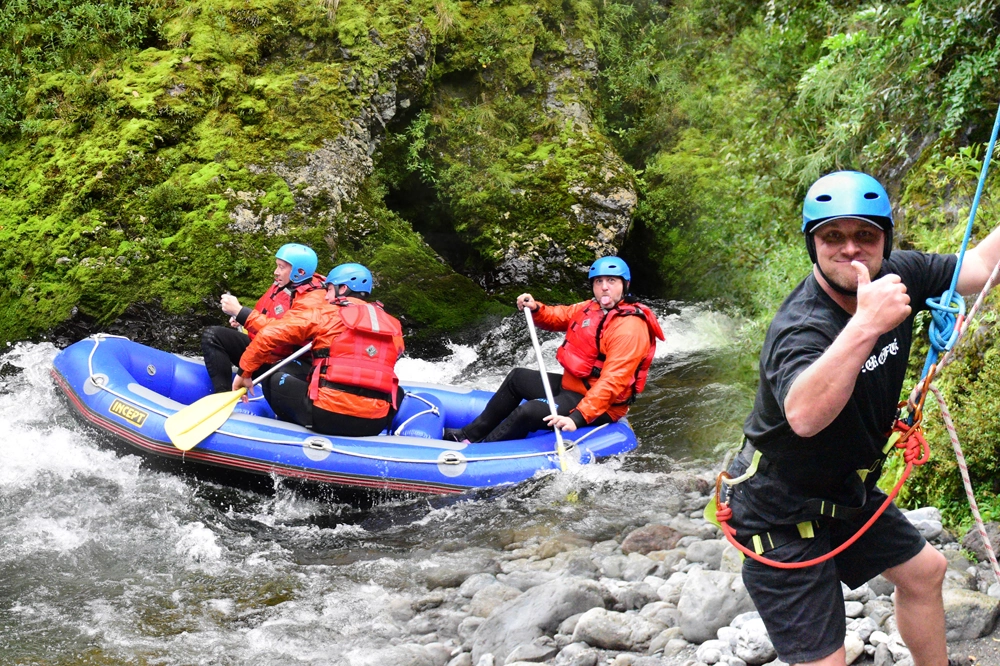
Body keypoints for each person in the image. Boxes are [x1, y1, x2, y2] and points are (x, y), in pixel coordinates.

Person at [724, 170, 1000, 666]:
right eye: (833, 236)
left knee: (925, 571)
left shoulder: (901, 276)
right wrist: (867, 324)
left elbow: (981, 264)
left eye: (865, 236)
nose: (850, 249)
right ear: (814, 245)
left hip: (845, 492)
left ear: (884, 241)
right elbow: (805, 416)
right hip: (779, 513)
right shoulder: (802, 326)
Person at [444, 256, 664, 443]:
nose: (604, 286)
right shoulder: (591, 308)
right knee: (517, 378)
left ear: (625, 285)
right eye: (599, 281)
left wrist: (577, 418)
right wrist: (536, 308)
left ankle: (481, 451)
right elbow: (559, 316)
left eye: (611, 281)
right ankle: (469, 434)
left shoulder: (630, 328)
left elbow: (613, 381)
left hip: (601, 405)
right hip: (573, 387)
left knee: (529, 411)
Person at [233, 263, 406, 437]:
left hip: (325, 417)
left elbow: (268, 334)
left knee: (273, 375)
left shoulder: (326, 313)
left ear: (343, 289)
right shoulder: (393, 326)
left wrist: (244, 373)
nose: (326, 296)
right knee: (397, 390)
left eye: (329, 290)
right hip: (373, 424)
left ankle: (291, 429)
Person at [201, 243, 325, 395]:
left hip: (283, 362)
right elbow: (266, 314)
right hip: (260, 350)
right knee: (213, 335)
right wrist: (242, 318)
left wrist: (241, 312)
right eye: (277, 266)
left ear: (299, 272)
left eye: (281, 267)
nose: (276, 272)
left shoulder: (313, 299)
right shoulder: (286, 283)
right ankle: (222, 394)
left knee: (279, 378)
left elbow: (280, 331)